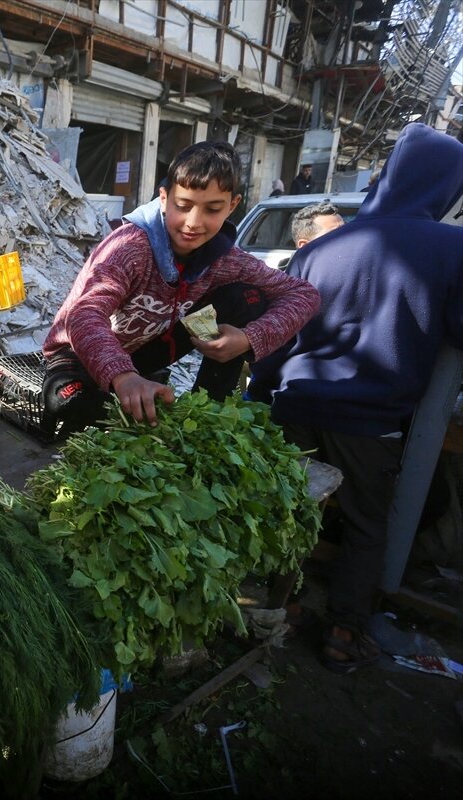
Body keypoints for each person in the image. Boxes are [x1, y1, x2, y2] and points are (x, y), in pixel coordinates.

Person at [249, 123, 463, 674]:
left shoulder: (323, 247)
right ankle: (345, 629)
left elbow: (281, 331)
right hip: (370, 418)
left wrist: (260, 395)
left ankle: (280, 605)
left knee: (292, 510)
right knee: (369, 526)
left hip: (296, 401)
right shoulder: (452, 247)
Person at [40, 141, 320, 435]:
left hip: (147, 352)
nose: (193, 223)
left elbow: (304, 294)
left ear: (233, 205)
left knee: (247, 298)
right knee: (65, 402)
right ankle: (129, 397)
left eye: (213, 209)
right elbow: (84, 314)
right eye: (183, 206)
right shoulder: (129, 248)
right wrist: (122, 376)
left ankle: (208, 413)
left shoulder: (227, 260)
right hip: (79, 354)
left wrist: (248, 339)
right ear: (164, 198)